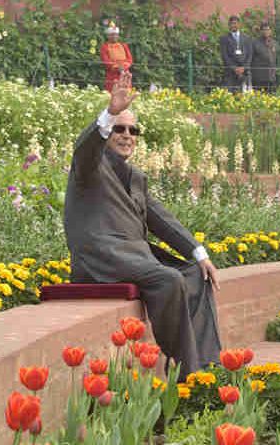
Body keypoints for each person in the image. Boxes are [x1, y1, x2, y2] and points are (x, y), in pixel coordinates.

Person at [64, 71, 222, 378]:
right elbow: (84, 148)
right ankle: (186, 370)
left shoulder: (135, 176)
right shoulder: (89, 167)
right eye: (119, 129)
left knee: (195, 274)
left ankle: (209, 365)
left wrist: (199, 253)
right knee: (169, 280)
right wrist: (110, 112)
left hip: (135, 257)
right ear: (108, 133)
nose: (127, 135)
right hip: (101, 259)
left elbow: (161, 219)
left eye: (133, 130)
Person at [219, 16, 253, 91]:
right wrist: (234, 68)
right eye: (231, 24)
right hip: (230, 73)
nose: (233, 25)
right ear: (228, 25)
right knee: (230, 96)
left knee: (245, 98)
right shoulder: (224, 39)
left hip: (245, 72)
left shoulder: (247, 38)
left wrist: (244, 67)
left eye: (235, 23)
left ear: (239, 24)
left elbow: (250, 55)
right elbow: (224, 56)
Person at [99, 22, 133, 92]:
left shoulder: (124, 45)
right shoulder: (104, 47)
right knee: (113, 93)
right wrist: (117, 67)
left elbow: (130, 59)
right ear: (108, 36)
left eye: (116, 35)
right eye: (112, 35)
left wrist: (124, 67)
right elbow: (106, 61)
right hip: (112, 75)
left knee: (126, 93)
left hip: (125, 73)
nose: (114, 36)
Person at [251, 22, 276, 92]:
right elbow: (250, 59)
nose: (266, 31)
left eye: (268, 29)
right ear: (261, 31)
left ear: (270, 31)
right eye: (264, 30)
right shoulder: (255, 43)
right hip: (259, 78)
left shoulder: (273, 43)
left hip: (271, 78)